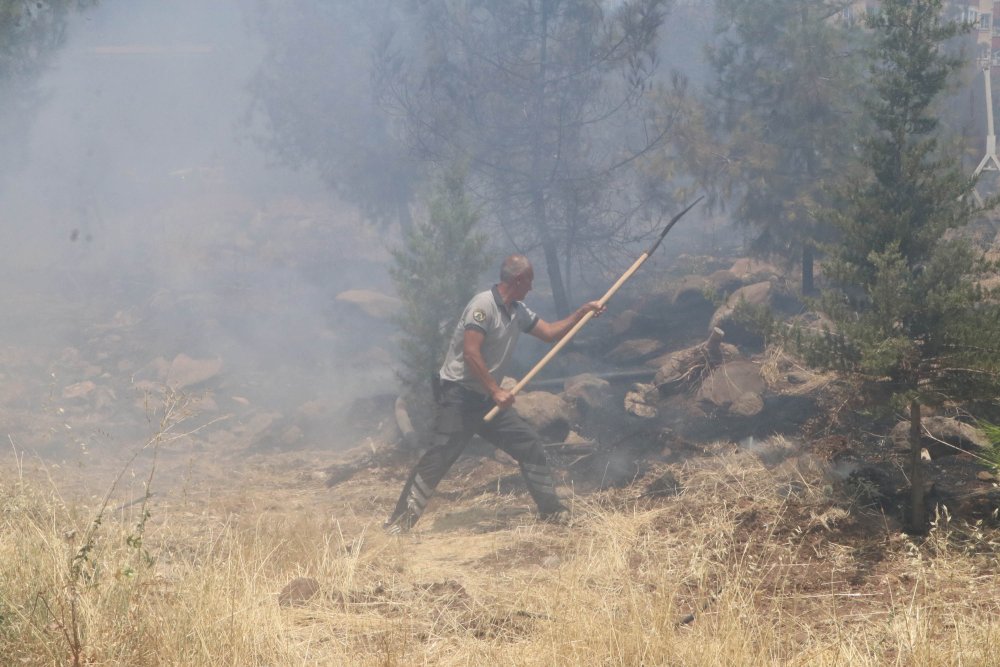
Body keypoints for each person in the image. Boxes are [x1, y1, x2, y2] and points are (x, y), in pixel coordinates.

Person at [385, 254, 605, 534]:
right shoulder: (482, 306)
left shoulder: (518, 311)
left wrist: (582, 313)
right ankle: (399, 525)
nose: (532, 287)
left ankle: (552, 512)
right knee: (440, 457)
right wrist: (496, 390)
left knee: (529, 445)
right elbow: (470, 353)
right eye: (530, 281)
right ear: (518, 279)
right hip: (459, 397)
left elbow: (549, 333)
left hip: (486, 399)